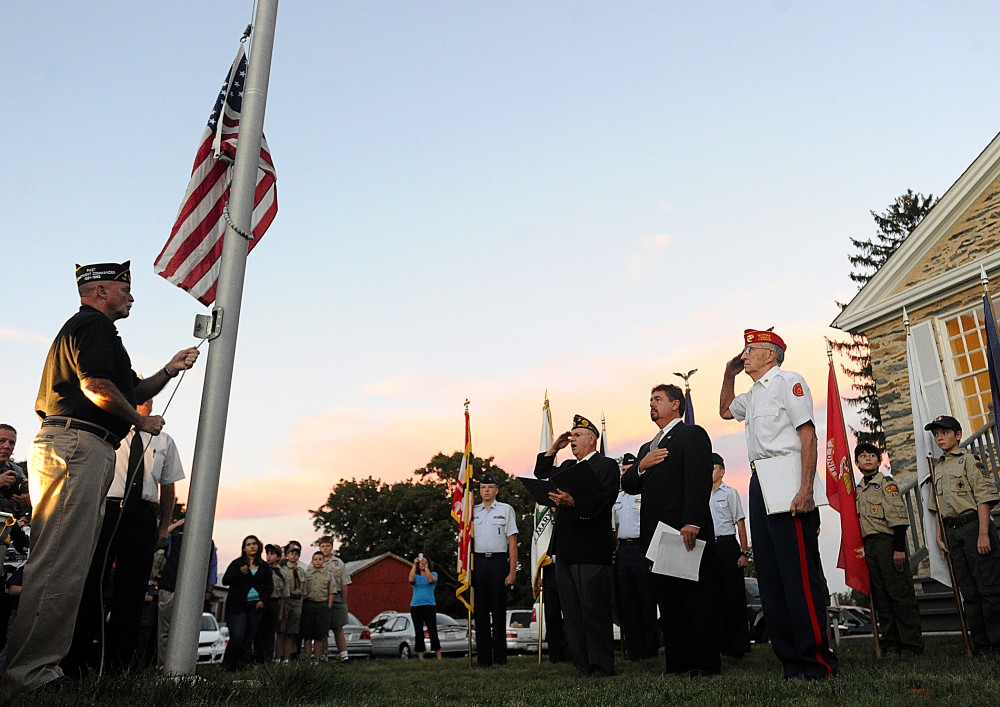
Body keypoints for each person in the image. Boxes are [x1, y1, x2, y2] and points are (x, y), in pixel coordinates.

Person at [4, 261, 199, 692]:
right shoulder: (92, 328)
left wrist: (169, 369)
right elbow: (96, 386)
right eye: (124, 288)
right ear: (100, 291)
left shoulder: (99, 334)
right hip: (75, 445)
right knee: (59, 563)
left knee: (69, 564)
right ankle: (30, 675)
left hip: (81, 446)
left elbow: (130, 388)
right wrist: (138, 421)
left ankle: (41, 670)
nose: (131, 296)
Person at [720, 328, 837, 679]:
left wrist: (804, 489)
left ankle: (816, 661)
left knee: (798, 574)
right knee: (770, 576)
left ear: (770, 355)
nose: (745, 355)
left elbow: (807, 434)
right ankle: (790, 662)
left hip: (788, 475)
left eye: (750, 349)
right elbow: (726, 410)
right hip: (760, 480)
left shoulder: (789, 381)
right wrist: (728, 375)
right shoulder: (753, 394)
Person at [64, 397, 186, 676]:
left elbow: (168, 486)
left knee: (132, 590)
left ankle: (121, 665)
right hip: (106, 509)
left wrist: (164, 526)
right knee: (91, 581)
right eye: (139, 397)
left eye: (150, 398)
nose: (146, 402)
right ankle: (78, 659)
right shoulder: (111, 431)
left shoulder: (163, 440)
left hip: (141, 515)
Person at [622, 385, 720, 676]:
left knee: (695, 601)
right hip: (657, 537)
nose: (651, 404)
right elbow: (628, 485)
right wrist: (641, 465)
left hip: (685, 531)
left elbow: (698, 479)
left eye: (658, 399)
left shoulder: (691, 434)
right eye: (650, 399)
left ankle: (704, 664)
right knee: (670, 603)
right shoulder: (647, 448)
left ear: (676, 404)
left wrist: (692, 520)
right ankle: (677, 664)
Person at [534, 415, 618, 678]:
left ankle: (601, 667)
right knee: (572, 613)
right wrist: (554, 449)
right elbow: (542, 473)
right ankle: (582, 666)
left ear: (592, 438)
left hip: (592, 548)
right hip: (566, 549)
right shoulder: (568, 465)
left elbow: (604, 501)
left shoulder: (606, 466)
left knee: (594, 611)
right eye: (570, 435)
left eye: (578, 435)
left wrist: (574, 503)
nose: (572, 440)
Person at [925, 415, 1000, 654]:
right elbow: (937, 506)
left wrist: (984, 533)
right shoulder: (938, 468)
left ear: (957, 435)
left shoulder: (969, 460)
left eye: (944, 433)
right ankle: (981, 645)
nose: (939, 438)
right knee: (968, 591)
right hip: (952, 532)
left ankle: (997, 642)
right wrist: (939, 536)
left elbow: (983, 499)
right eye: (936, 434)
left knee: (988, 588)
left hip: (974, 528)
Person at [854, 442, 923, 658]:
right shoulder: (857, 490)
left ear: (879, 460)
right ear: (856, 463)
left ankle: (911, 645)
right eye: (862, 456)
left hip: (888, 541)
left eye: (872, 455)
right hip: (869, 546)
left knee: (899, 594)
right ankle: (891, 644)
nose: (867, 459)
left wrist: (899, 549)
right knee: (881, 597)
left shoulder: (886, 484)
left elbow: (898, 518)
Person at [613, 452, 659, 661]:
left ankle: (649, 649)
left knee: (646, 600)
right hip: (623, 550)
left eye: (628, 470)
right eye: (622, 471)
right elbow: (614, 527)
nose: (625, 474)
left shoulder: (645, 493)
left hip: (642, 548)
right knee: (627, 602)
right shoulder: (618, 497)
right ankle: (633, 650)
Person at [470, 473, 518, 667]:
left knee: (498, 611)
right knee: (480, 611)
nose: (486, 491)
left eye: (490, 487)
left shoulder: (506, 510)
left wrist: (512, 571)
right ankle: (483, 658)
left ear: (496, 490)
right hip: (479, 562)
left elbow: (512, 542)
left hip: (498, 562)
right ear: (479, 491)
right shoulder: (472, 512)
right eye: (482, 488)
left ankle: (500, 658)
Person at [157, 519, 218, 666]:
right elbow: (160, 538)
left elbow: (212, 567)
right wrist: (176, 524)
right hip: (170, 588)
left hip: (193, 592)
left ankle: (182, 665)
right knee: (165, 630)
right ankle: (163, 665)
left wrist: (208, 590)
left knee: (187, 630)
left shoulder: (208, 543)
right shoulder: (174, 539)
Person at [709, 453, 752, 659]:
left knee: (733, 597)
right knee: (714, 598)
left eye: (713, 467)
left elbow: (740, 523)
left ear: (722, 471)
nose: (709, 471)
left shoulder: (730, 493)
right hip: (709, 547)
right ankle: (721, 645)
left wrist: (744, 552)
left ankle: (739, 647)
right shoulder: (700, 494)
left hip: (727, 546)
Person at [221, 535, 273, 671]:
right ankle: (228, 665)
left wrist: (263, 600)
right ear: (244, 548)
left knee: (250, 637)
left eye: (254, 543)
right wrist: (239, 573)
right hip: (237, 606)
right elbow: (225, 581)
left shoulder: (264, 566)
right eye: (248, 544)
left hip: (255, 606)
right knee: (238, 636)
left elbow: (269, 587)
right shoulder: (237, 564)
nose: (252, 546)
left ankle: (243, 665)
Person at [318, 536, 352, 664]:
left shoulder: (338, 562)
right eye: (323, 546)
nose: (325, 548)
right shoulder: (317, 562)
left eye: (327, 546)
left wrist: (344, 600)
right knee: (323, 629)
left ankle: (344, 656)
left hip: (337, 596)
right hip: (322, 597)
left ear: (332, 547)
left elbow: (344, 583)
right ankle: (324, 656)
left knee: (338, 627)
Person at [255, 544, 288, 663]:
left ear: (278, 557)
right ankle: (258, 658)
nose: (269, 556)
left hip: (274, 602)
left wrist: (280, 613)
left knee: (270, 632)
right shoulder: (261, 568)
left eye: (272, 554)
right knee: (259, 631)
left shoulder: (282, 573)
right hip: (261, 602)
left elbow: (284, 595)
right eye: (267, 554)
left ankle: (269, 658)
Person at [300, 551, 333, 662]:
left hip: (322, 605)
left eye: (320, 559)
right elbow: (302, 591)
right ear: (312, 561)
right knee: (307, 635)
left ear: (324, 561)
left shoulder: (328, 574)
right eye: (315, 559)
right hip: (309, 604)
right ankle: (309, 659)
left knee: (319, 635)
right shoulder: (307, 573)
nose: (318, 561)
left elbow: (331, 592)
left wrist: (328, 607)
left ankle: (317, 660)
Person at [408, 555, 441, 661]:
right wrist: (414, 564)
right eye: (421, 562)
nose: (422, 564)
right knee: (419, 631)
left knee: (432, 630)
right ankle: (421, 658)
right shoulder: (416, 577)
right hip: (416, 606)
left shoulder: (433, 574)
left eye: (425, 562)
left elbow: (431, 580)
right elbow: (410, 579)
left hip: (429, 606)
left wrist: (425, 567)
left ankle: (438, 656)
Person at [276, 541, 304, 663]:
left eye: (296, 554)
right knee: (281, 631)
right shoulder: (282, 569)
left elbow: (303, 590)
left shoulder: (301, 571)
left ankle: (286, 659)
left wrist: (301, 604)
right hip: (285, 600)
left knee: (291, 633)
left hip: (296, 601)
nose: (294, 556)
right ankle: (277, 657)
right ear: (287, 554)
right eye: (291, 553)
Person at [0, 425, 28, 518]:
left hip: (8, 525)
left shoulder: (15, 470)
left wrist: (25, 498)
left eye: (12, 443)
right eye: (1, 441)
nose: (7, 446)